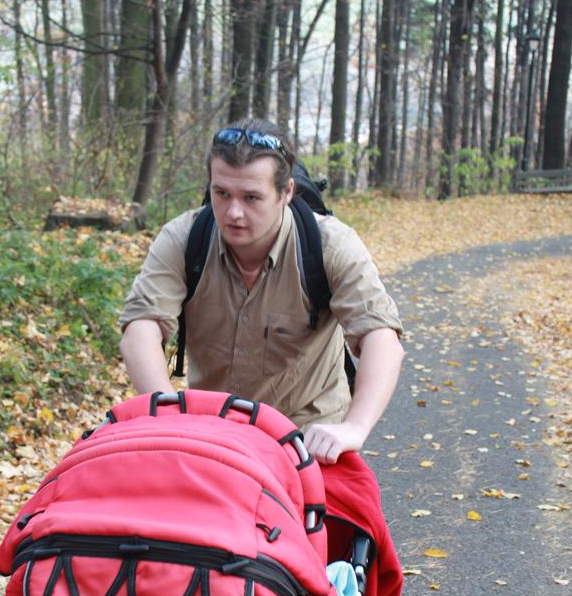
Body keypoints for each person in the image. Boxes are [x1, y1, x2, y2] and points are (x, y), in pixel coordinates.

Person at [119, 117, 404, 465]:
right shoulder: (184, 239)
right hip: (214, 441)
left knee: (355, 503)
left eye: (252, 197)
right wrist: (168, 412)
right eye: (221, 193)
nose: (233, 212)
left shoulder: (330, 245)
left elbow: (381, 337)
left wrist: (354, 427)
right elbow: (141, 327)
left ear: (286, 193)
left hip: (308, 443)